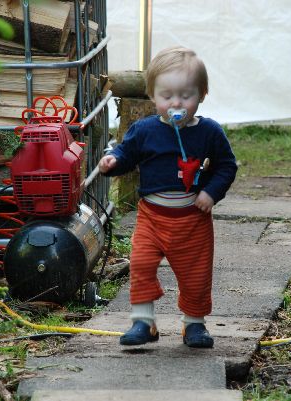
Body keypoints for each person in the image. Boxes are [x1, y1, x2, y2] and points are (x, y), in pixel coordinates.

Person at [99, 46, 237, 348]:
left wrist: (210, 192)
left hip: (192, 220)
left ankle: (194, 324)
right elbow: (125, 154)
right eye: (166, 96)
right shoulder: (145, 130)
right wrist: (112, 162)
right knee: (141, 263)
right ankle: (143, 322)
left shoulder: (209, 132)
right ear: (152, 95)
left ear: (202, 94)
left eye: (186, 96)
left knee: (196, 275)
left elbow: (227, 166)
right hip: (153, 217)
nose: (176, 103)